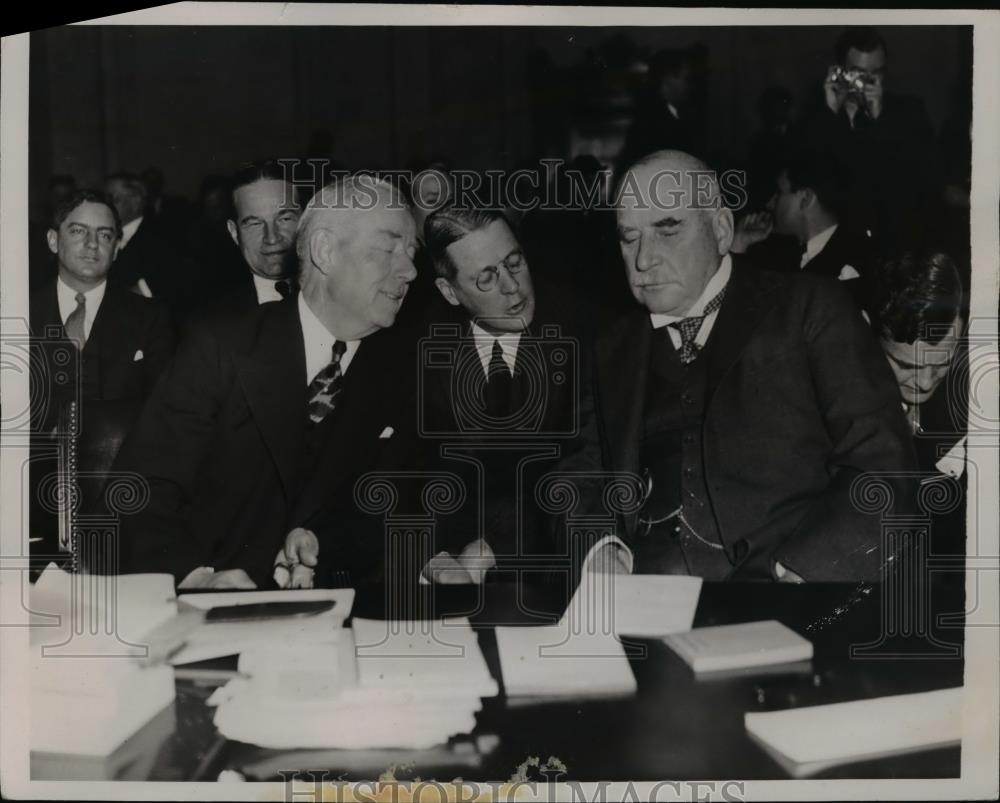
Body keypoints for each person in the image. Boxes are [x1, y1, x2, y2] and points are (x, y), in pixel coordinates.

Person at [564, 150, 917, 583]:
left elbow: (882, 464)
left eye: (667, 230)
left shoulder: (810, 308)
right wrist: (600, 549)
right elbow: (578, 472)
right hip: (645, 599)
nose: (643, 260)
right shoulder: (605, 344)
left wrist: (804, 570)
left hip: (787, 591)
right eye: (628, 237)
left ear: (720, 229)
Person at [115, 175, 420, 589]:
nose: (410, 270)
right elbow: (142, 488)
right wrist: (195, 576)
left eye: (411, 252)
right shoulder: (221, 346)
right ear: (325, 251)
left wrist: (321, 542)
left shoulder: (400, 368)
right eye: (389, 250)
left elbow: (394, 506)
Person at [418, 206, 579, 578]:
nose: (512, 287)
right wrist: (433, 556)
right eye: (487, 278)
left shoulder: (584, 330)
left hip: (549, 566)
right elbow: (411, 471)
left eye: (514, 262)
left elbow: (574, 476)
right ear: (450, 291)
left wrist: (491, 549)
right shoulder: (418, 341)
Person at [29, 189, 174, 555]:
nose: (92, 244)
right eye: (78, 231)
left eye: (105, 235)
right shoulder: (18, 313)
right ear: (52, 239)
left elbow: (164, 418)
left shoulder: (151, 318)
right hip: (32, 510)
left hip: (125, 509)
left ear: (118, 245)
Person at [795, 26, 937, 254]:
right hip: (839, 250)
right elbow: (809, 177)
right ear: (840, 71)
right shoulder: (818, 118)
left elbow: (919, 184)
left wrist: (879, 118)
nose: (869, 82)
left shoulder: (910, 112)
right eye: (859, 73)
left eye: (877, 73)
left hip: (895, 247)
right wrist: (830, 110)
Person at [733, 144, 874, 308]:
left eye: (779, 193)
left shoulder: (856, 258)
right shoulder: (775, 253)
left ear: (806, 198)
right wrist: (739, 242)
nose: (770, 204)